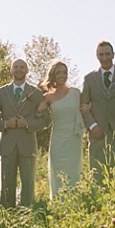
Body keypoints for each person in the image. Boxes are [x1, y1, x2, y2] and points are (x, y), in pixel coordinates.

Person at [0, 58, 49, 207]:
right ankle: (7, 212)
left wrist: (27, 124)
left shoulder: (35, 93)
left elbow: (46, 121)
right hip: (7, 143)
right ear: (11, 70)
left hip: (27, 143)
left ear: (27, 70)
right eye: (16, 67)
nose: (19, 69)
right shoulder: (1, 92)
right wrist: (5, 123)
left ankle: (26, 211)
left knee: (28, 181)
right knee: (7, 180)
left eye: (22, 67)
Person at [80, 40, 115, 183]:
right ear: (96, 56)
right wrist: (92, 126)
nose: (104, 58)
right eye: (101, 55)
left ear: (113, 55)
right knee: (97, 176)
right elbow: (83, 107)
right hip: (97, 134)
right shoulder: (89, 78)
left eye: (107, 54)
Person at [36, 60, 83, 196]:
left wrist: (88, 107)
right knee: (57, 172)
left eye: (64, 72)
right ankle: (57, 203)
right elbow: (38, 115)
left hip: (73, 138)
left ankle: (73, 203)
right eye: (58, 73)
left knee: (73, 172)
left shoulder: (75, 93)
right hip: (57, 140)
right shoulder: (47, 97)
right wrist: (40, 109)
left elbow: (85, 109)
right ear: (53, 75)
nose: (62, 75)